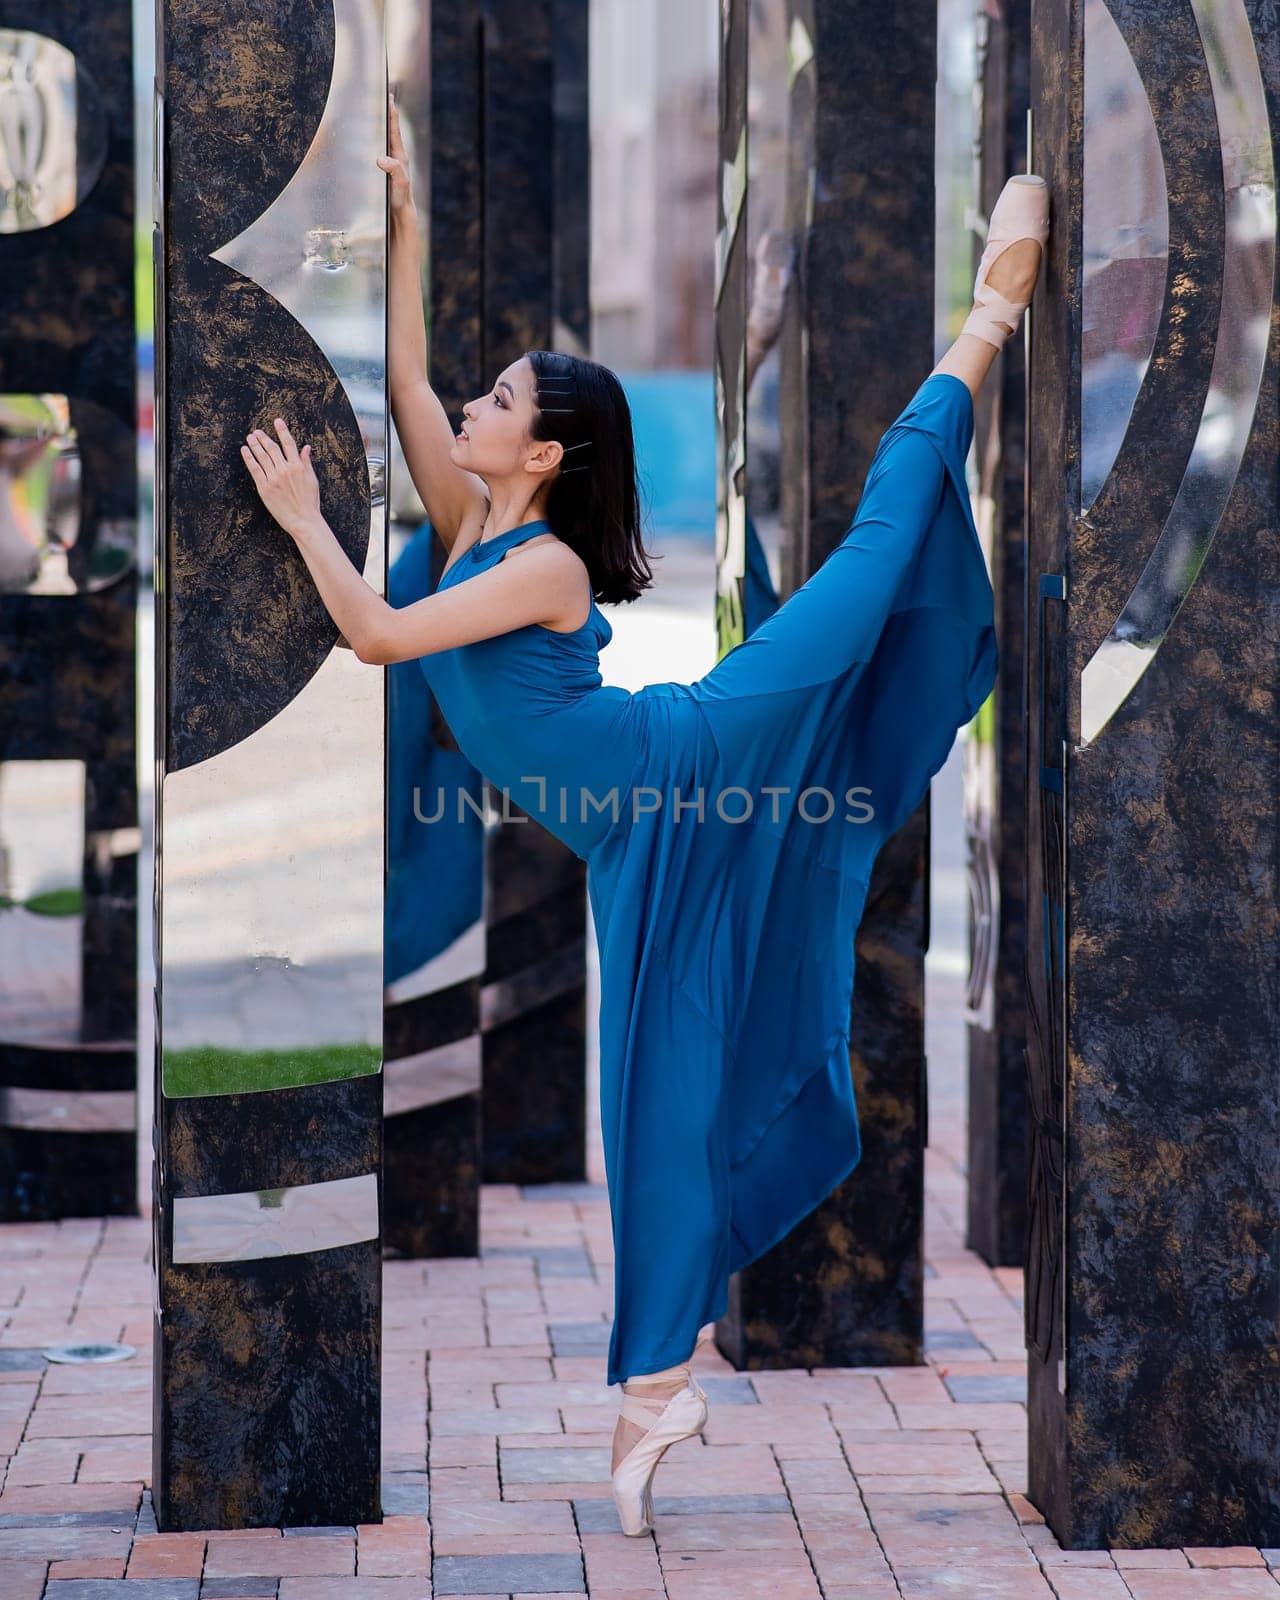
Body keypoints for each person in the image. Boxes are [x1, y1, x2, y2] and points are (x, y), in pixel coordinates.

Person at [239, 93, 1049, 1537]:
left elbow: (370, 636)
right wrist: (409, 228)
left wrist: (305, 519)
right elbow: (417, 390)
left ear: (543, 455)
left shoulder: (540, 563)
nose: (474, 414)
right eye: (488, 401)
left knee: (865, 576)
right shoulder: (475, 517)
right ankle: (657, 1383)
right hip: (634, 842)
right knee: (653, 1113)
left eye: (504, 406)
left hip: (689, 760)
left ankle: (982, 325)